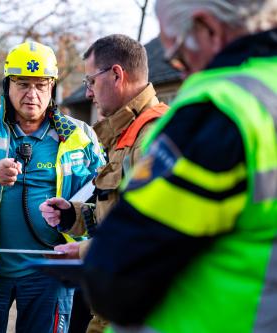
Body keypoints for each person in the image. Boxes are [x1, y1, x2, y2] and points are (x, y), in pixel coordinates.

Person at [81, 0, 277, 332]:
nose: (182, 73)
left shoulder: (220, 109)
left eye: (177, 57)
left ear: (208, 30)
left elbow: (115, 275)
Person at [0, 41, 104, 333]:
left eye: (41, 85)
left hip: (51, 271)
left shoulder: (79, 134)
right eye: (23, 84)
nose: (32, 94)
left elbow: (103, 194)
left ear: (52, 87)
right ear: (7, 84)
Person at [39, 34, 168, 333]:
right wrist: (74, 214)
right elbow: (121, 212)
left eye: (90, 82)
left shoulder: (152, 138)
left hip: (139, 310)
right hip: (116, 303)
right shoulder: (126, 134)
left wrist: (83, 252)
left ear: (116, 75)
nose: (87, 94)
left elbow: (154, 231)